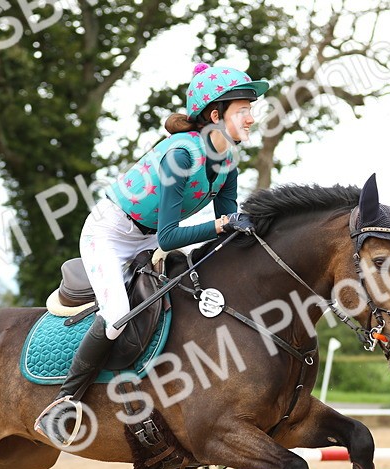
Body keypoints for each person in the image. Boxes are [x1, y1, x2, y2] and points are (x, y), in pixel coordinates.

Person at [35, 62, 270, 446]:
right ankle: (64, 402)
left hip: (146, 239)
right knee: (116, 314)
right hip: (110, 234)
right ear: (216, 115)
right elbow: (171, 234)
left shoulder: (227, 161)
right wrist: (222, 226)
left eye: (250, 109)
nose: (251, 118)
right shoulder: (180, 156)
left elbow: (227, 221)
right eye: (243, 109)